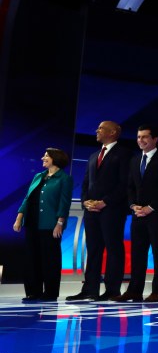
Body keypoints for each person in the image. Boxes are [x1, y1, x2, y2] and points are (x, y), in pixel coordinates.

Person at [67, 121, 132, 301]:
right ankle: (90, 289)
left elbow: (124, 183)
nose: (97, 131)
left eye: (101, 128)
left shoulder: (124, 154)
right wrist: (85, 202)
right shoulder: (94, 155)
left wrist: (105, 202)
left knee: (113, 249)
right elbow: (86, 183)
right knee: (93, 249)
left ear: (112, 132)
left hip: (112, 210)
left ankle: (112, 290)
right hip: (91, 211)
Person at [113, 125, 158, 303]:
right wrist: (134, 205)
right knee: (137, 253)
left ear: (155, 139)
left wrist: (151, 207)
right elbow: (130, 187)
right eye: (139, 137)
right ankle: (134, 290)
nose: (140, 140)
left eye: (145, 137)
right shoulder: (135, 160)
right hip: (138, 214)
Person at [14, 148, 74, 302]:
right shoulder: (38, 176)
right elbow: (28, 198)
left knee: (50, 259)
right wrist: (19, 218)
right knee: (32, 258)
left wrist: (60, 223)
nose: (43, 158)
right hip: (32, 222)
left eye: (46, 156)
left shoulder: (64, 179)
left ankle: (50, 292)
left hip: (50, 225)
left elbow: (64, 203)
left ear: (55, 158)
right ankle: (33, 292)